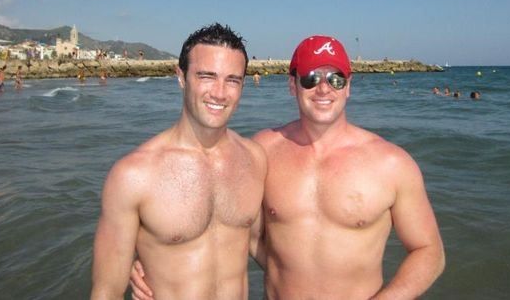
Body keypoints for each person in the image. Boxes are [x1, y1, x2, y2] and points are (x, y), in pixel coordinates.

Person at [133, 35, 445, 299]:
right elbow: (221, 221)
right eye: (311, 79)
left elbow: (429, 251)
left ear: (348, 86)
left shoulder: (391, 163)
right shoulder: (261, 152)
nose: (324, 89)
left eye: (336, 79)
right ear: (292, 85)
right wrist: (158, 262)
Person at [90, 23, 267, 300]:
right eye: (207, 76)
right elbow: (107, 290)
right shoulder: (134, 175)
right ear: (181, 77)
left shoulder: (254, 158)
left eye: (232, 80)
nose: (220, 93)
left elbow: (259, 243)